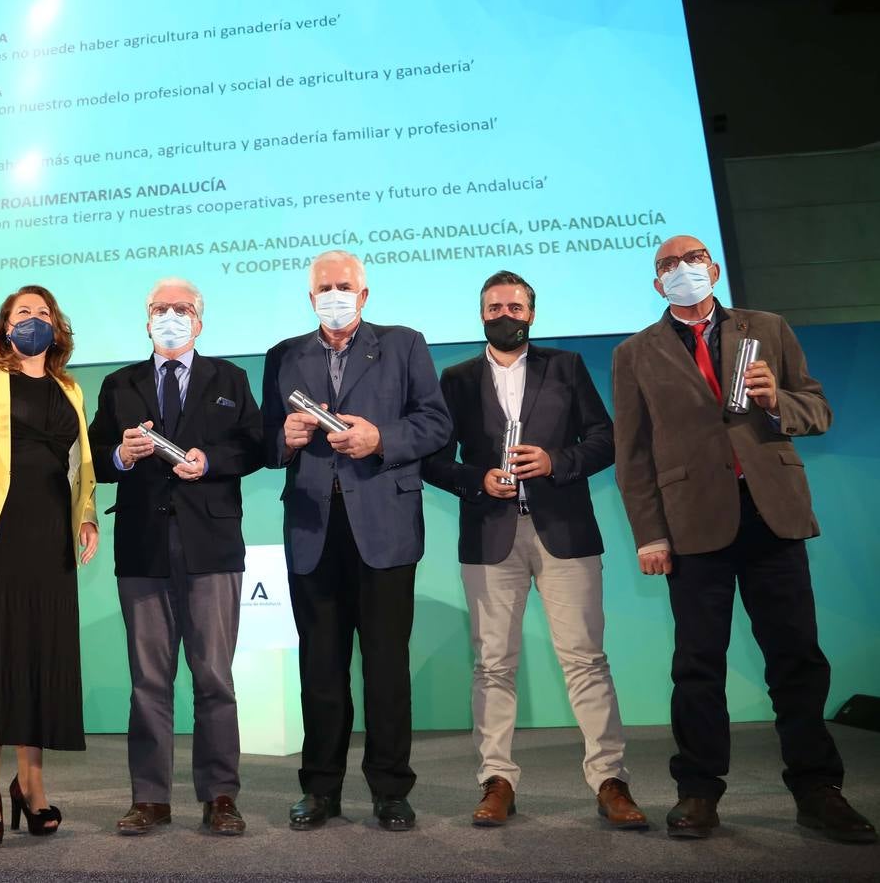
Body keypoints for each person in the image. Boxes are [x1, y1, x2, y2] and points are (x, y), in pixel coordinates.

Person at [612, 234, 875, 843]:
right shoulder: (635, 353)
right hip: (691, 524)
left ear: (715, 267)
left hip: (772, 515)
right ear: (657, 284)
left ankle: (817, 790)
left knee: (797, 659)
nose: (683, 270)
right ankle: (698, 792)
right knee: (698, 665)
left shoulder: (767, 328)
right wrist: (650, 535)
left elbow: (818, 410)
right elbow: (633, 455)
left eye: (693, 259)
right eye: (668, 266)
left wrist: (775, 401)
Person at [422, 271, 647, 829]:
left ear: (532, 313)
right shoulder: (455, 379)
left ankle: (610, 780)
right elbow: (432, 459)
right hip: (489, 535)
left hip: (564, 532)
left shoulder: (565, 367)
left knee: (586, 660)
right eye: (495, 306)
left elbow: (604, 438)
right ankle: (496, 780)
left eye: (515, 306)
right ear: (481, 316)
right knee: (493, 665)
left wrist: (555, 462)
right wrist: (478, 480)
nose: (506, 314)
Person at [261, 250, 452, 832]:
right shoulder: (282, 356)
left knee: (387, 668)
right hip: (313, 532)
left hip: (385, 529)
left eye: (345, 286)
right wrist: (286, 439)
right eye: (325, 287)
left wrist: (380, 438)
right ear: (310, 298)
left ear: (365, 295)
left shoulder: (404, 343)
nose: (335, 294)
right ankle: (320, 790)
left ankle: (391, 789)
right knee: (320, 669)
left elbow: (437, 423)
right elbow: (262, 444)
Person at [88, 278, 264, 837]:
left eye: (181, 308)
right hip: (142, 549)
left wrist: (208, 461)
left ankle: (219, 796)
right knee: (148, 681)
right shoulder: (120, 384)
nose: (170, 315)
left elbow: (256, 446)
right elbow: (92, 456)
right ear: (146, 321)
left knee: (214, 676)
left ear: (199, 321)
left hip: (210, 548)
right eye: (160, 309)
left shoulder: (230, 378)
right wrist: (120, 454)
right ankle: (150, 798)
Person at [0, 285, 99, 846]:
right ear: (5, 325)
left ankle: (31, 784)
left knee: (39, 658)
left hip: (50, 539)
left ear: (57, 326)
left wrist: (88, 514)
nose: (33, 319)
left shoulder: (69, 386)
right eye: (22, 312)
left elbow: (81, 460)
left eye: (43, 312)